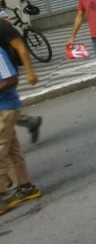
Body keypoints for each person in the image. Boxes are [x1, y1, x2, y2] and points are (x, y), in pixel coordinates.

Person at [0, 20, 42, 216]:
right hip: (5, 108)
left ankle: (2, 197)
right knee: (12, 150)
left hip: (6, 108)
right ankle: (26, 187)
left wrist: (31, 73)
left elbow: (11, 78)